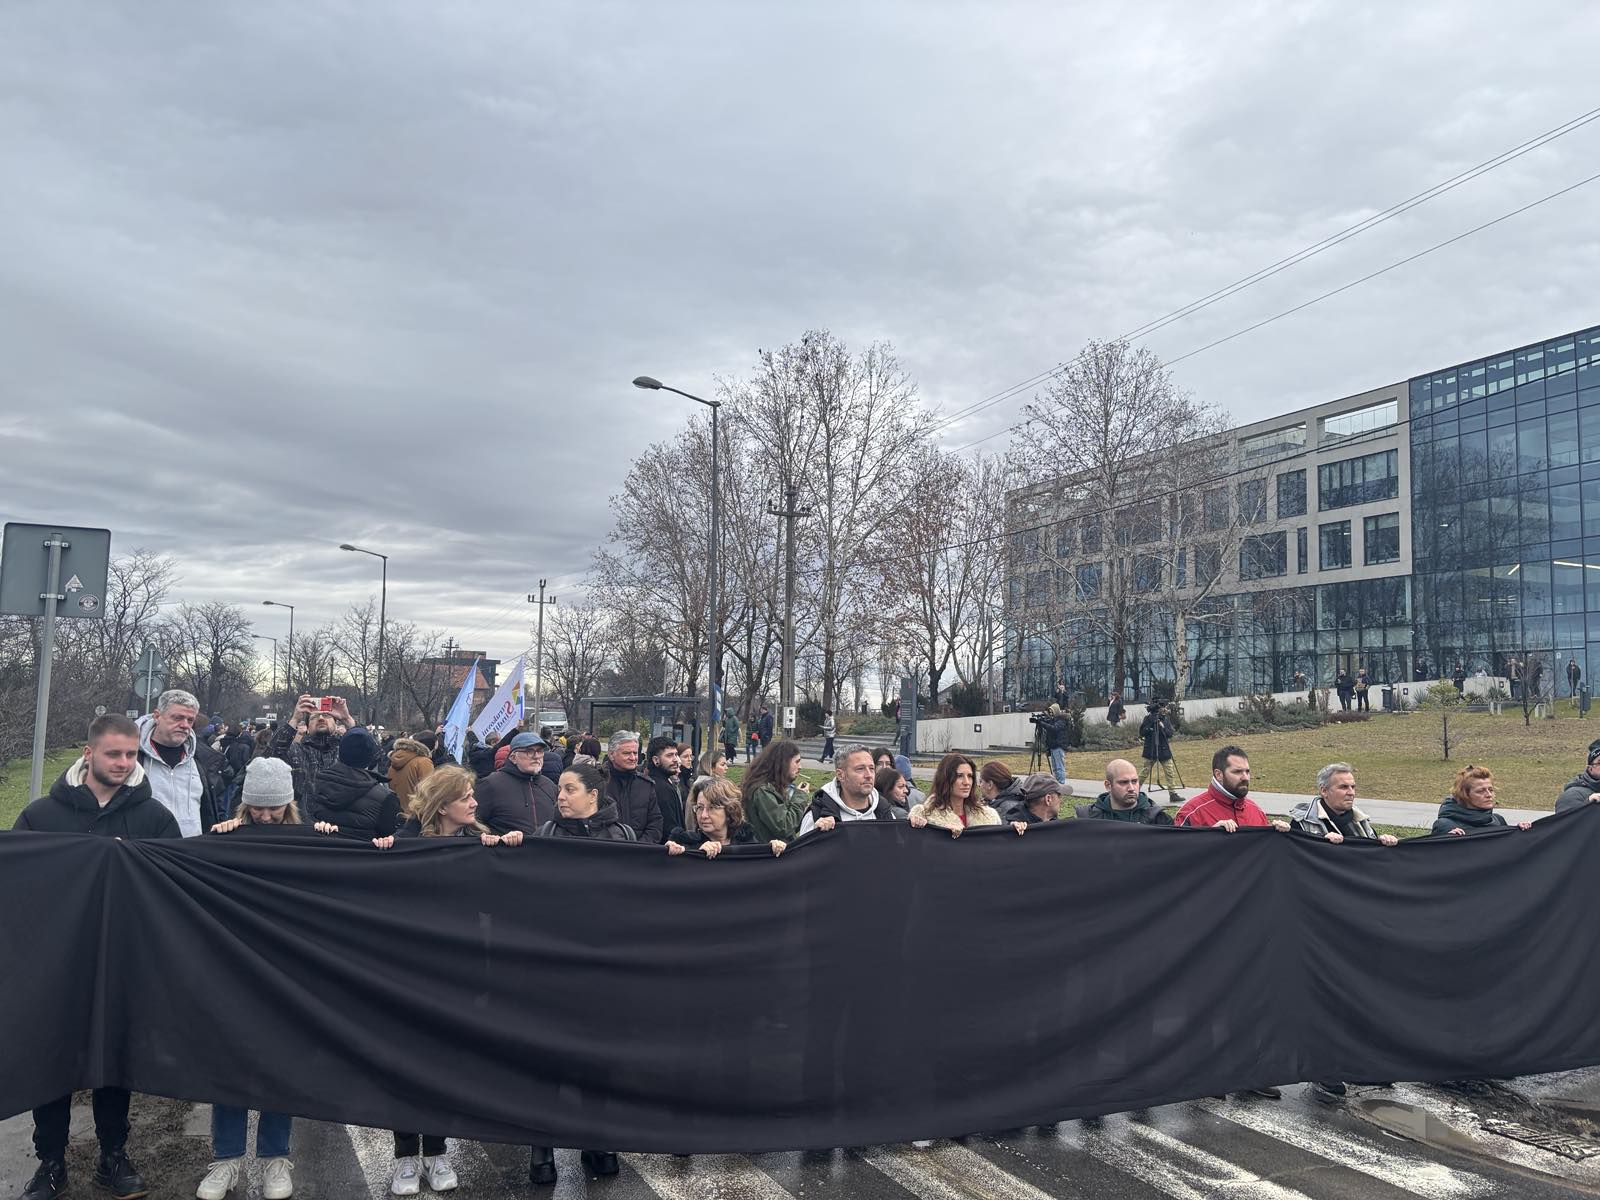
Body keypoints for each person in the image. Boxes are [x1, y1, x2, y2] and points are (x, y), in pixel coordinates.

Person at [13, 714, 172, 1200]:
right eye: (114, 754)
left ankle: (113, 1156)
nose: (124, 763)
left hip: (122, 959)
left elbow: (171, 892)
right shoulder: (42, 816)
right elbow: (16, 883)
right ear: (89, 754)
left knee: (114, 1056)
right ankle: (51, 1162)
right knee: (51, 1058)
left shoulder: (154, 819)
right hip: (55, 962)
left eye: (131, 755)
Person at [195, 757, 301, 1200]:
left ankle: (276, 1157)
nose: (263, 816)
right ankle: (226, 1159)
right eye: (256, 807)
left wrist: (328, 839)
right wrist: (212, 842)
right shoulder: (228, 838)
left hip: (287, 970)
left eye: (272, 808)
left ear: (288, 804)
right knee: (229, 1059)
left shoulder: (304, 842)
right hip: (234, 966)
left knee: (281, 1063)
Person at [528, 760, 628, 1182]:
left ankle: (596, 1140)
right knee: (547, 1059)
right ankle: (542, 1147)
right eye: (559, 791)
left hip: (603, 968)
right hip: (554, 966)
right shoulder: (546, 835)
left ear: (593, 795)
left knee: (598, 1060)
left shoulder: (622, 836)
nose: (561, 797)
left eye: (569, 790)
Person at [136, 688, 229, 838]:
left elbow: (214, 809)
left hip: (192, 854)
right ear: (157, 716)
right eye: (177, 718)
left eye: (190, 720)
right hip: (146, 855)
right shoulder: (132, 757)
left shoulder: (204, 760)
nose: (185, 725)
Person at [306, 726, 401, 842]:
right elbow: (391, 839)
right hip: (364, 857)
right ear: (370, 757)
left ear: (340, 751)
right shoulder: (385, 798)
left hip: (321, 854)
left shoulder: (316, 784)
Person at [1174, 746, 1290, 833]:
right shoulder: (1191, 812)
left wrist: (1278, 832)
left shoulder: (1257, 812)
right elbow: (1177, 854)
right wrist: (1210, 834)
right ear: (1219, 774)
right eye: (1237, 772)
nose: (1245, 777)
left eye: (1247, 771)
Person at [666, 777, 786, 857]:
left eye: (712, 808)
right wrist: (696, 853)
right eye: (699, 808)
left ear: (730, 811)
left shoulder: (747, 842)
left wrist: (773, 850)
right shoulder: (684, 842)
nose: (703, 815)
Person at [798, 746, 903, 835]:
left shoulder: (884, 812)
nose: (869, 775)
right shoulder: (818, 816)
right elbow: (803, 857)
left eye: (871, 768)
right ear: (840, 775)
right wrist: (817, 835)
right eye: (860, 769)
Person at [1287, 763, 1398, 845]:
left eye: (1353, 787)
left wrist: (1383, 842)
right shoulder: (1301, 824)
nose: (1351, 793)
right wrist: (1322, 842)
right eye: (1343, 787)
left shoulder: (1361, 821)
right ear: (1324, 791)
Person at [267, 694, 351, 802]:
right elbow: (269, 759)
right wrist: (294, 719)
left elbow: (372, 756)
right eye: (314, 717)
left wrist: (347, 719)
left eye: (326, 715)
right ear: (307, 727)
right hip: (302, 817)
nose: (321, 718)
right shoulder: (295, 752)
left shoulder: (347, 751)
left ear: (336, 724)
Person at [473, 732, 558, 834]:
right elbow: (473, 825)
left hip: (546, 849)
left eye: (540, 751)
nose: (536, 756)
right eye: (529, 751)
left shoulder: (549, 785)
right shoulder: (490, 784)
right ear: (513, 757)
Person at [908, 752, 1005, 836]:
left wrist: (1014, 832)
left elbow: (999, 846)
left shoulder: (989, 815)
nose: (967, 782)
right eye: (959, 776)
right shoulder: (923, 814)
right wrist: (943, 834)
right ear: (945, 779)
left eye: (970, 776)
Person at [593, 730, 663, 843]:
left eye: (635, 753)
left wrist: (638, 848)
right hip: (605, 853)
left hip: (640, 854)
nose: (633, 758)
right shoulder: (596, 783)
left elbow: (655, 824)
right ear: (611, 754)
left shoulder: (646, 785)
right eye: (626, 753)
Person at [1431, 765, 1533, 836]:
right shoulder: (1445, 825)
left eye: (1491, 790)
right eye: (1481, 791)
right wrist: (1447, 840)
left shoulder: (1498, 820)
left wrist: (1519, 832)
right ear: (1465, 795)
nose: (1489, 795)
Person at [208, 757, 302, 831]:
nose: (266, 818)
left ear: (288, 806)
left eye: (274, 808)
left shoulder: (305, 838)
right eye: (257, 808)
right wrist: (219, 835)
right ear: (247, 806)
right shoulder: (233, 834)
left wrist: (316, 834)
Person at [743, 739, 808, 843]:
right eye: (796, 762)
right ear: (783, 763)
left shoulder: (774, 788)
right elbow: (784, 827)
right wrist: (800, 796)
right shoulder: (762, 791)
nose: (800, 767)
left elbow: (791, 828)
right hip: (770, 854)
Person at [1076, 759, 1174, 825]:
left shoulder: (1158, 819)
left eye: (1134, 781)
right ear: (1108, 785)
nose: (1131, 788)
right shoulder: (1088, 819)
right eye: (1123, 782)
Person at [645, 734, 687, 836]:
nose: (676, 760)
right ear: (656, 760)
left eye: (676, 754)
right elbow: (670, 829)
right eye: (669, 755)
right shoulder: (661, 788)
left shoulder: (656, 782)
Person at [386, 735, 435, 813]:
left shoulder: (393, 763)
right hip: (416, 814)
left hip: (396, 812)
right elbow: (430, 791)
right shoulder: (424, 762)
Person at [1138, 700, 1177, 794]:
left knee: (1170, 772)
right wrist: (1151, 724)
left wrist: (1162, 727)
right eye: (1163, 708)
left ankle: (1172, 793)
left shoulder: (1165, 719)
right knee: (1145, 772)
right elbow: (1142, 733)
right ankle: (1135, 790)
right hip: (1151, 749)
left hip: (1163, 749)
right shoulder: (1148, 719)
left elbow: (1170, 733)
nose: (1165, 709)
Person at [1004, 772, 1069, 825]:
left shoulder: (1054, 823)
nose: (1061, 800)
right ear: (1048, 799)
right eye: (1059, 795)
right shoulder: (1018, 830)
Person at [1555, 739, 1600, 813]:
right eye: (1599, 762)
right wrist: (1588, 803)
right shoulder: (1573, 795)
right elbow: (1567, 822)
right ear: (1590, 768)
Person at [1034, 703, 1071, 786]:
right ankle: (1056, 783)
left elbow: (1054, 728)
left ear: (1056, 711)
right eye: (1050, 712)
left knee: (1059, 767)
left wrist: (1042, 723)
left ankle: (1061, 783)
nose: (1051, 714)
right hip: (1053, 746)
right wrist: (1041, 720)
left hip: (1058, 746)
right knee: (1055, 768)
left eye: (1052, 712)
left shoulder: (1062, 720)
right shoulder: (1054, 720)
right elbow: (1049, 724)